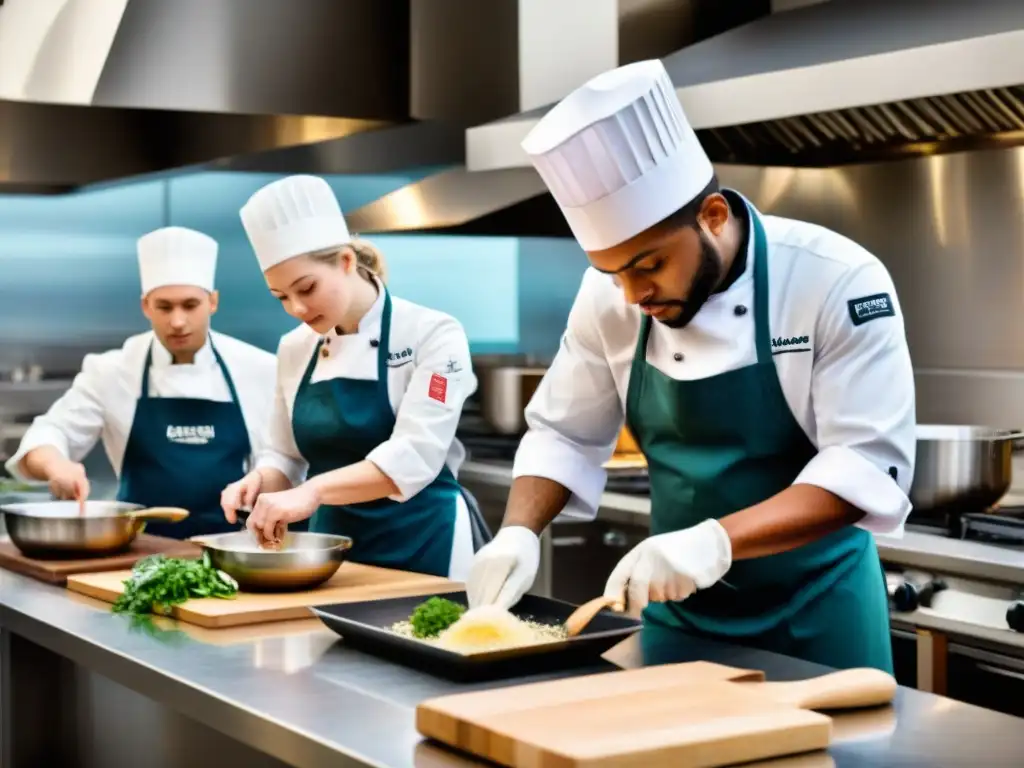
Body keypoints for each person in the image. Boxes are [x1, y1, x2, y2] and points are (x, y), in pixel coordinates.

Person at [464, 60, 916, 673]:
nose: (631, 294)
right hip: (677, 625)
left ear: (713, 216)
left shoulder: (834, 279)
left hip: (817, 622)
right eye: (612, 272)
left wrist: (715, 541)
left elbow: (864, 464)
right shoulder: (611, 299)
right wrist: (517, 531)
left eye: (648, 265)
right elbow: (564, 434)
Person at [221, 174, 480, 579]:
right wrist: (259, 481)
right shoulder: (294, 348)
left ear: (345, 262)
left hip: (426, 541)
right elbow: (286, 456)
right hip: (332, 550)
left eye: (306, 288)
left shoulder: (432, 333)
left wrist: (313, 491)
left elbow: (414, 455)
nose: (296, 308)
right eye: (281, 297)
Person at [6, 226, 277, 539]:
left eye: (190, 305)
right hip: (136, 551)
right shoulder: (111, 370)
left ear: (212, 302)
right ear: (145, 305)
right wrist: (56, 466)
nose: (177, 321)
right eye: (164, 307)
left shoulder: (259, 368)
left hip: (230, 547)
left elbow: (278, 460)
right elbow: (51, 431)